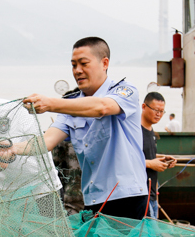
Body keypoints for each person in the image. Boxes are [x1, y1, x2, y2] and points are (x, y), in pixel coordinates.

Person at [21, 37, 148, 220]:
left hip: (126, 195)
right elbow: (45, 142)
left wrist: (50, 103)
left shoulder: (125, 91)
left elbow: (102, 107)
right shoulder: (69, 104)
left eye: (83, 63)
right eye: (73, 65)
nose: (77, 71)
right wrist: (12, 148)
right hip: (92, 197)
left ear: (104, 63)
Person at [141, 92, 176, 219]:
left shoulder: (151, 132)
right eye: (156, 110)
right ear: (144, 107)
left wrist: (163, 159)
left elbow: (148, 155)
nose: (159, 114)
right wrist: (151, 163)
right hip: (141, 196)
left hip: (152, 196)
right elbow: (124, 161)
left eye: (162, 111)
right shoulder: (134, 131)